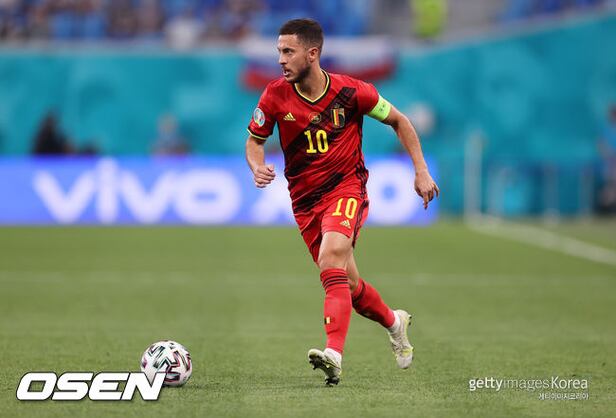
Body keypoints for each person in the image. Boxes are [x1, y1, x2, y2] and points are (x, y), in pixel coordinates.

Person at [245, 18, 439, 386]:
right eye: (279, 52)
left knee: (331, 256)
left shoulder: (352, 92)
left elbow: (399, 120)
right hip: (305, 202)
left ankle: (333, 354)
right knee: (348, 285)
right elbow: (255, 141)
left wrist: (421, 170)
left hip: (346, 188)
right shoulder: (274, 96)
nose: (281, 59)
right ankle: (394, 322)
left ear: (312, 53)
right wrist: (257, 166)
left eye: (288, 51)